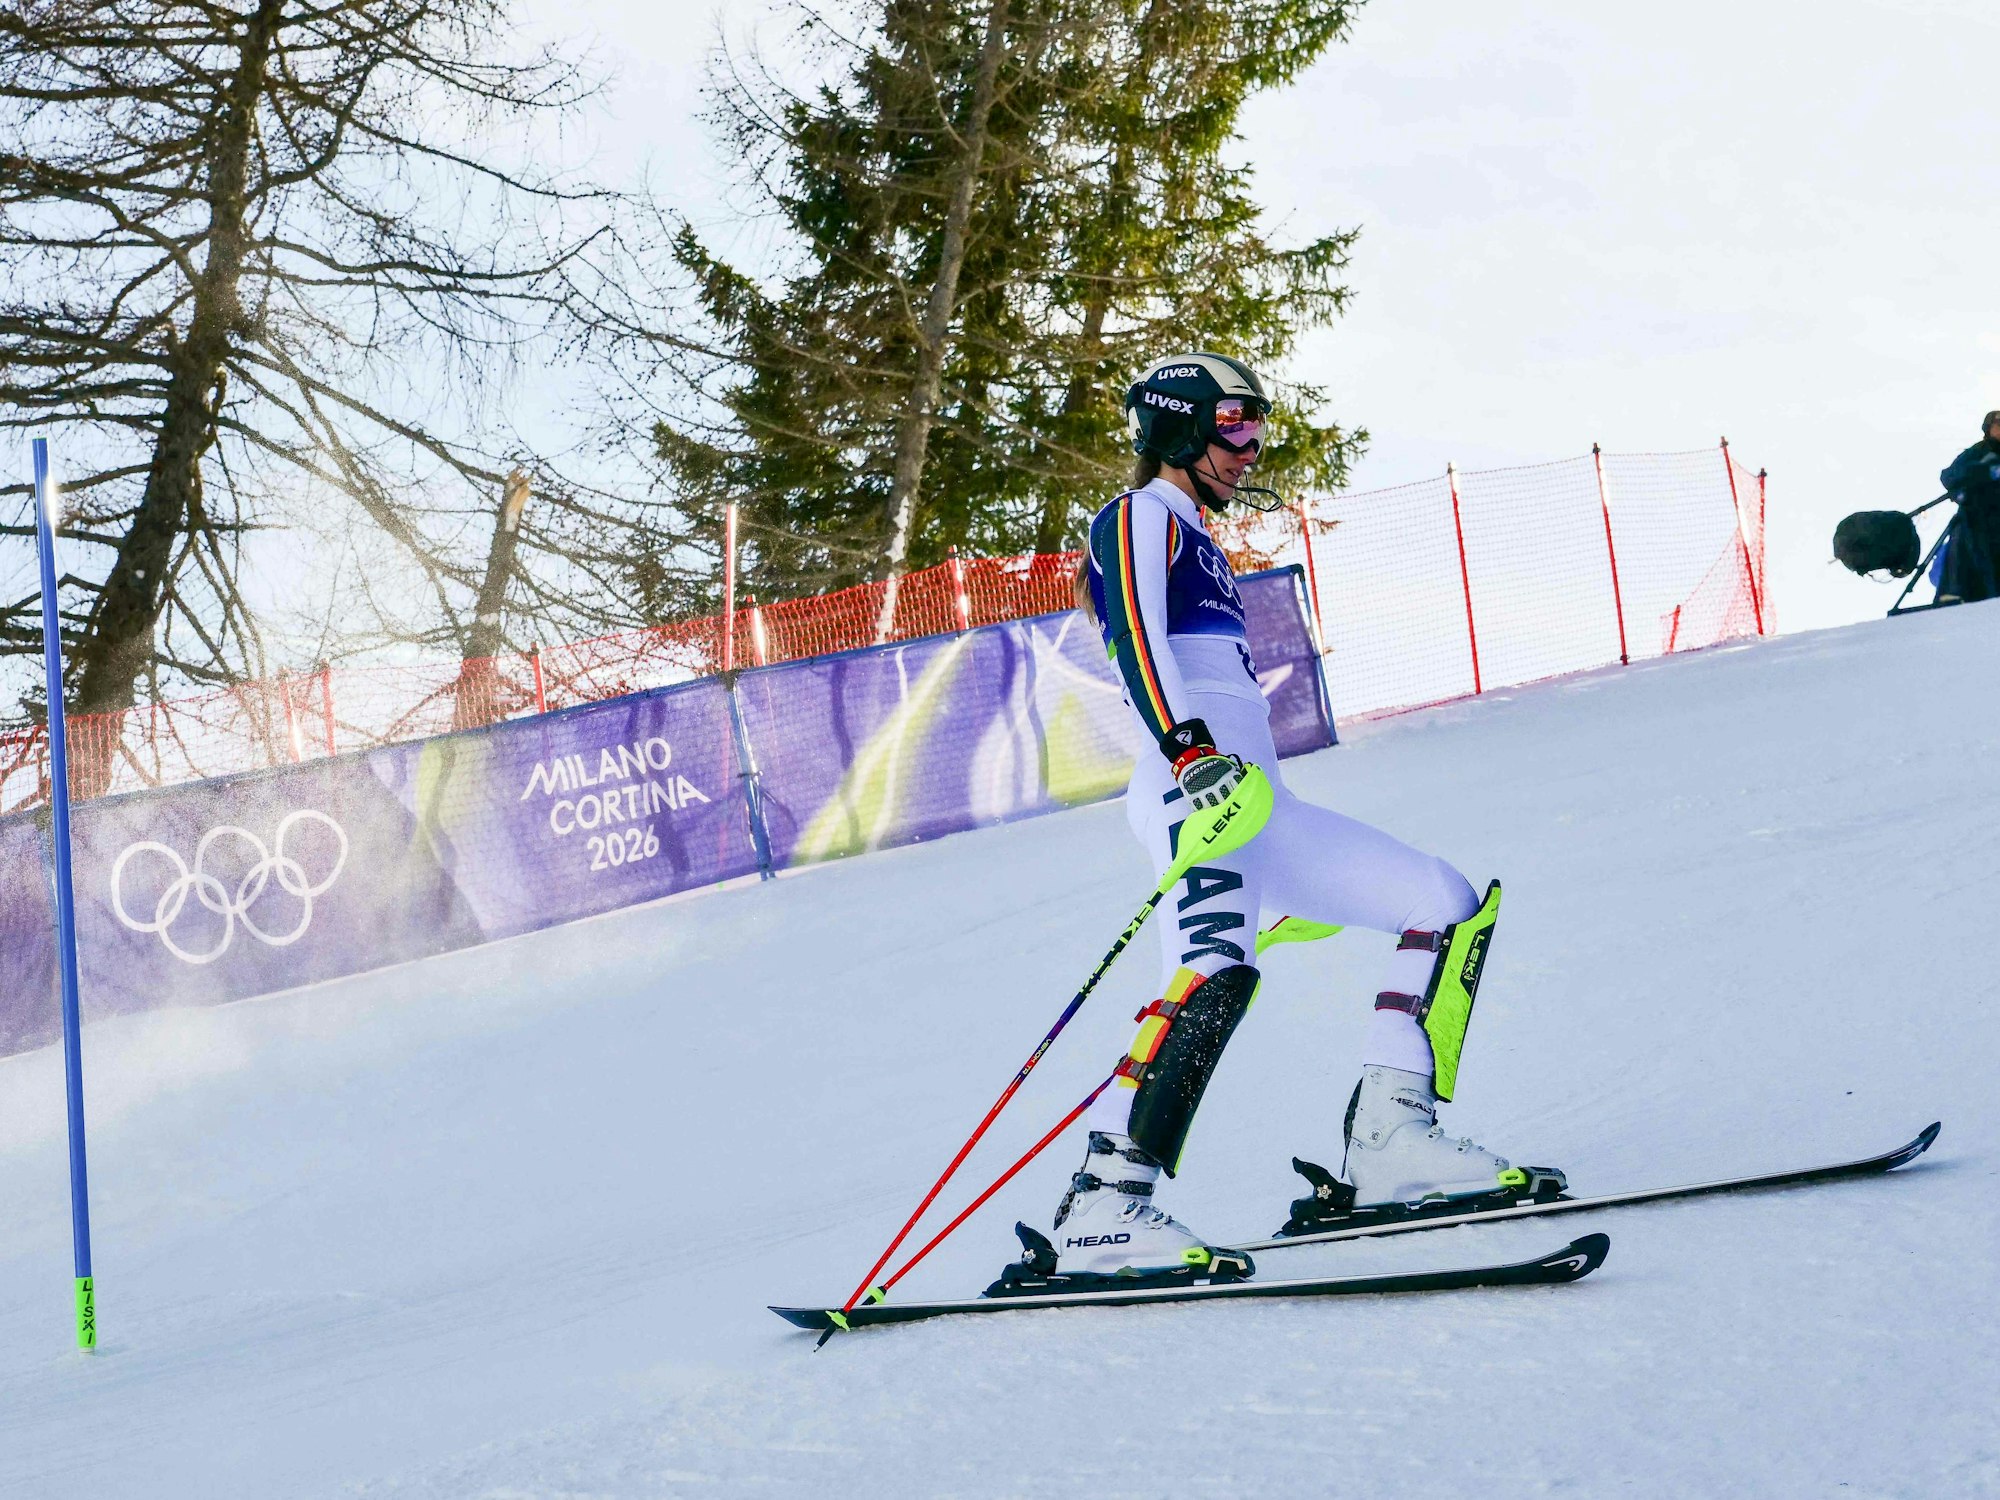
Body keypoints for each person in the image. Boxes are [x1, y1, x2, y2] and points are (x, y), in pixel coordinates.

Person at [1052, 352, 1562, 1282]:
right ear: (1178, 425)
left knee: (1443, 904)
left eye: (1256, 426)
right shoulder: (1137, 517)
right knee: (1210, 974)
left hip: (1258, 807)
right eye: (1235, 422)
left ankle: (1390, 1141)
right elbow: (1133, 630)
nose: (1251, 446)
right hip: (1195, 795)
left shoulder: (1198, 538)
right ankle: (1102, 1206)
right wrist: (1186, 748)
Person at [1937, 411, 2000, 605]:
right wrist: (1985, 471)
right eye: (1998, 423)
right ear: (1988, 428)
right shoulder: (1979, 451)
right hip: (1977, 521)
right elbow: (1950, 476)